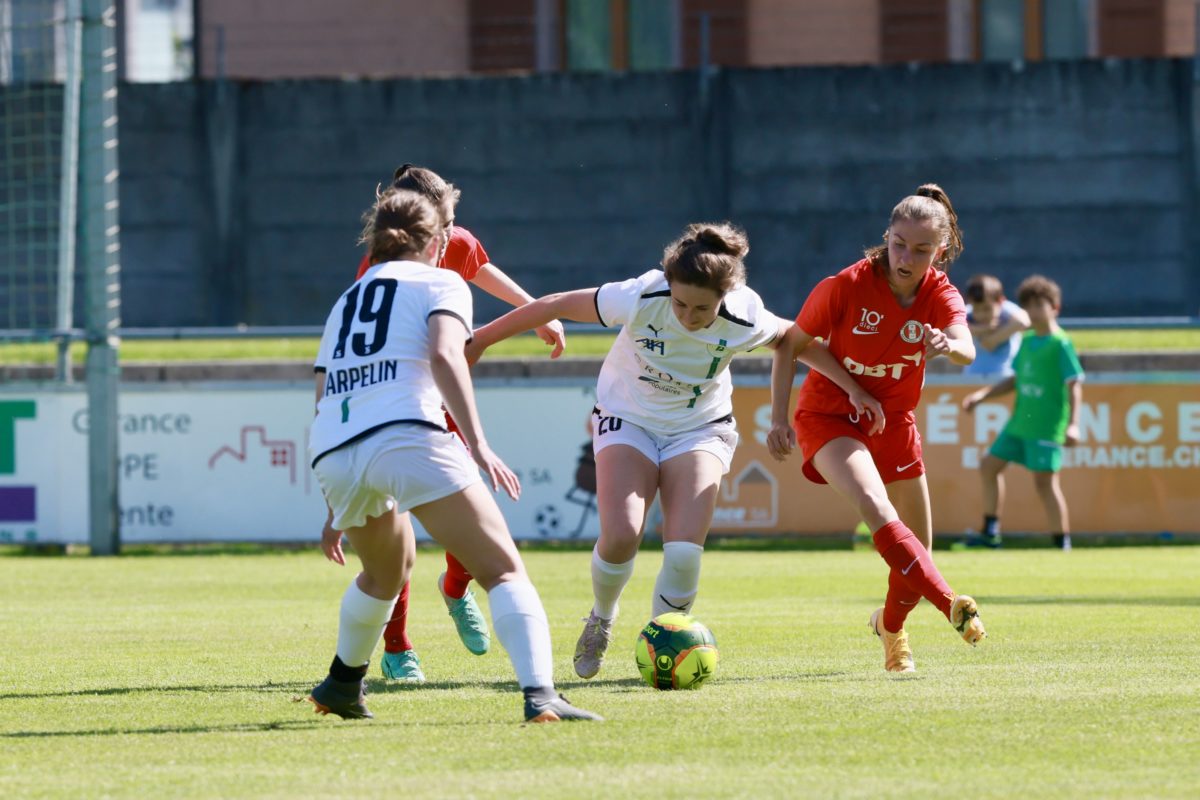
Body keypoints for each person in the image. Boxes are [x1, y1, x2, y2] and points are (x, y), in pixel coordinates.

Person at [467, 222, 879, 680]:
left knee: (684, 552)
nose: (687, 315)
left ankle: (661, 641)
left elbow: (793, 341)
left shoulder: (745, 314)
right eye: (680, 303)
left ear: (725, 296)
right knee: (622, 533)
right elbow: (558, 304)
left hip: (700, 428)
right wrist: (482, 338)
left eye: (702, 308)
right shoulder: (643, 295)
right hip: (628, 418)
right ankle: (602, 617)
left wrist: (853, 389)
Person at [305, 187, 600, 723]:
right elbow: (446, 355)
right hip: (407, 435)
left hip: (334, 447)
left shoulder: (347, 298)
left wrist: (333, 507)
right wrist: (479, 443)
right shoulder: (442, 280)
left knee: (384, 572)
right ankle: (542, 696)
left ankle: (342, 686)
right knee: (503, 569)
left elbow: (325, 389)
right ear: (438, 239)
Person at [766, 184, 987, 674]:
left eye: (922, 249)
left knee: (917, 552)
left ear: (941, 251)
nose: (907, 257)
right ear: (886, 236)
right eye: (899, 244)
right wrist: (779, 416)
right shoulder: (845, 285)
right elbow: (790, 343)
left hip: (894, 422)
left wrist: (948, 345)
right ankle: (952, 602)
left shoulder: (940, 294)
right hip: (829, 416)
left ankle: (891, 628)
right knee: (876, 507)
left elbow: (967, 347)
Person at [962, 275, 1083, 550]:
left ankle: (1061, 544)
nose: (1033, 311)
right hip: (1019, 424)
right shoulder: (1026, 341)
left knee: (1045, 484)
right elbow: (1015, 380)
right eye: (1028, 305)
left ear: (1055, 307)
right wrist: (982, 396)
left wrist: (1073, 424)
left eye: (1040, 304)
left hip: (1046, 426)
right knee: (988, 466)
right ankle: (990, 532)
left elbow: (1074, 384)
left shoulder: (1060, 343)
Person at [962, 273, 1030, 378]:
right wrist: (983, 329)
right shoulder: (967, 312)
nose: (981, 315)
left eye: (986, 309)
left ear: (1000, 301)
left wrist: (992, 340)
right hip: (971, 377)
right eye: (977, 309)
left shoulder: (1007, 310)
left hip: (1005, 378)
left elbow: (1023, 321)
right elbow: (950, 327)